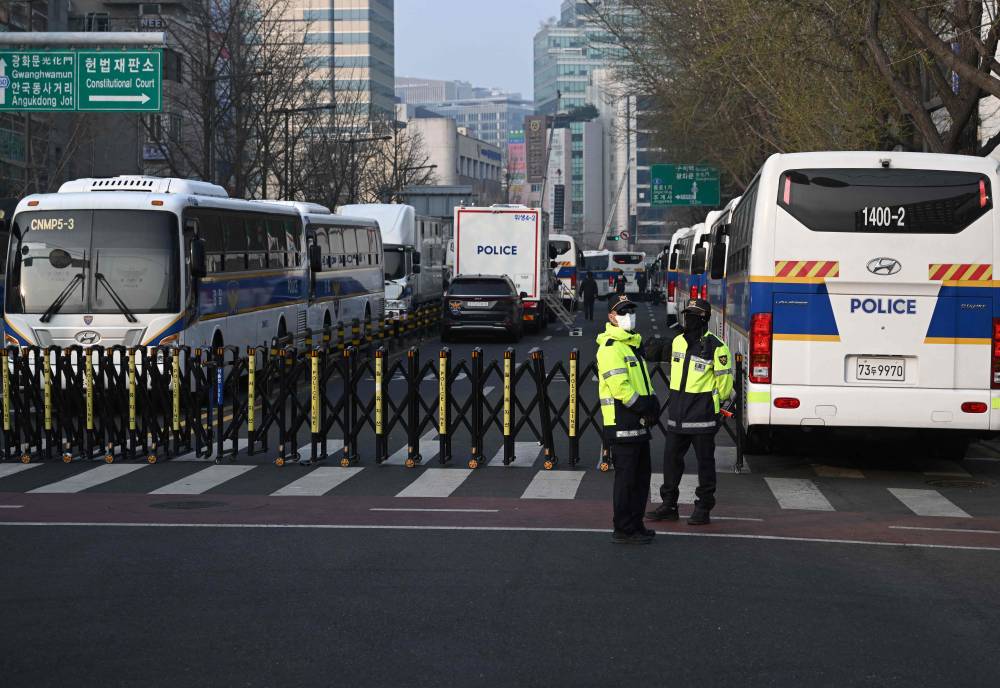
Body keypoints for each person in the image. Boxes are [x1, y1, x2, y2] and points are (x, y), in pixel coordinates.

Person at [645, 298, 733, 526]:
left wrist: (714, 407)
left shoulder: (717, 347)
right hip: (677, 414)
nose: (689, 319)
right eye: (687, 315)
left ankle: (703, 507)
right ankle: (669, 505)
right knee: (671, 460)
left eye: (694, 315)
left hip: (702, 416)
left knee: (705, 463)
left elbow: (724, 386)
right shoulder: (677, 342)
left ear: (704, 318)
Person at [597, 295, 660, 544]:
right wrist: (644, 406)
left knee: (641, 478)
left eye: (631, 311)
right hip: (623, 422)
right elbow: (620, 388)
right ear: (612, 317)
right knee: (626, 480)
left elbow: (642, 382)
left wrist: (652, 401)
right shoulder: (612, 348)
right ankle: (623, 529)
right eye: (623, 312)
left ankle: (636, 523)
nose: (629, 316)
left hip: (638, 421)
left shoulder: (632, 345)